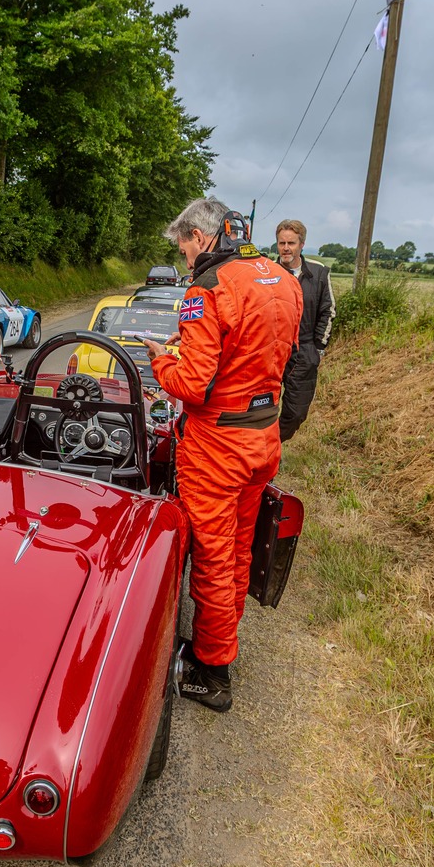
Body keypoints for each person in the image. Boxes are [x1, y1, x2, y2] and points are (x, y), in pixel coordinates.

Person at [141, 198, 302, 712]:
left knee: (211, 559)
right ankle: (221, 644)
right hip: (262, 438)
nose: (184, 256)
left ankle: (212, 673)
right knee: (236, 549)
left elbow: (192, 385)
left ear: (200, 235)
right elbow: (269, 353)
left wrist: (164, 361)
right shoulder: (280, 277)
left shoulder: (206, 290)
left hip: (216, 447)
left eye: (183, 245)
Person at [272, 219, 333, 442]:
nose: (286, 248)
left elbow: (328, 311)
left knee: (296, 413)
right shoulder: (267, 271)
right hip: (271, 349)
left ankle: (273, 443)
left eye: (291, 243)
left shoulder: (318, 273)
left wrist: (318, 348)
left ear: (302, 244)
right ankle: (262, 454)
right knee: (261, 408)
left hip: (305, 350)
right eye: (281, 243)